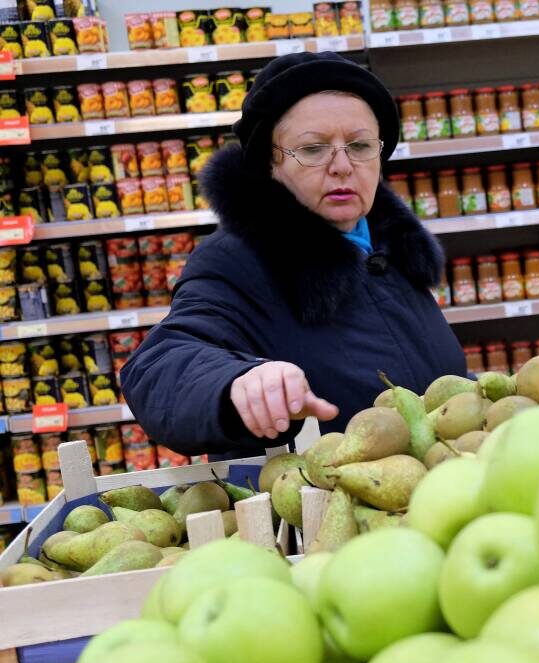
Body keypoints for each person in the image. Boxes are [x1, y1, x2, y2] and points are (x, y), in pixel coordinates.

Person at [121, 52, 466, 460]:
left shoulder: (389, 248)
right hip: (311, 511)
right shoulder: (236, 260)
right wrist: (237, 382)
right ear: (270, 162)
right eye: (314, 149)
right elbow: (159, 365)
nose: (342, 166)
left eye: (359, 145)